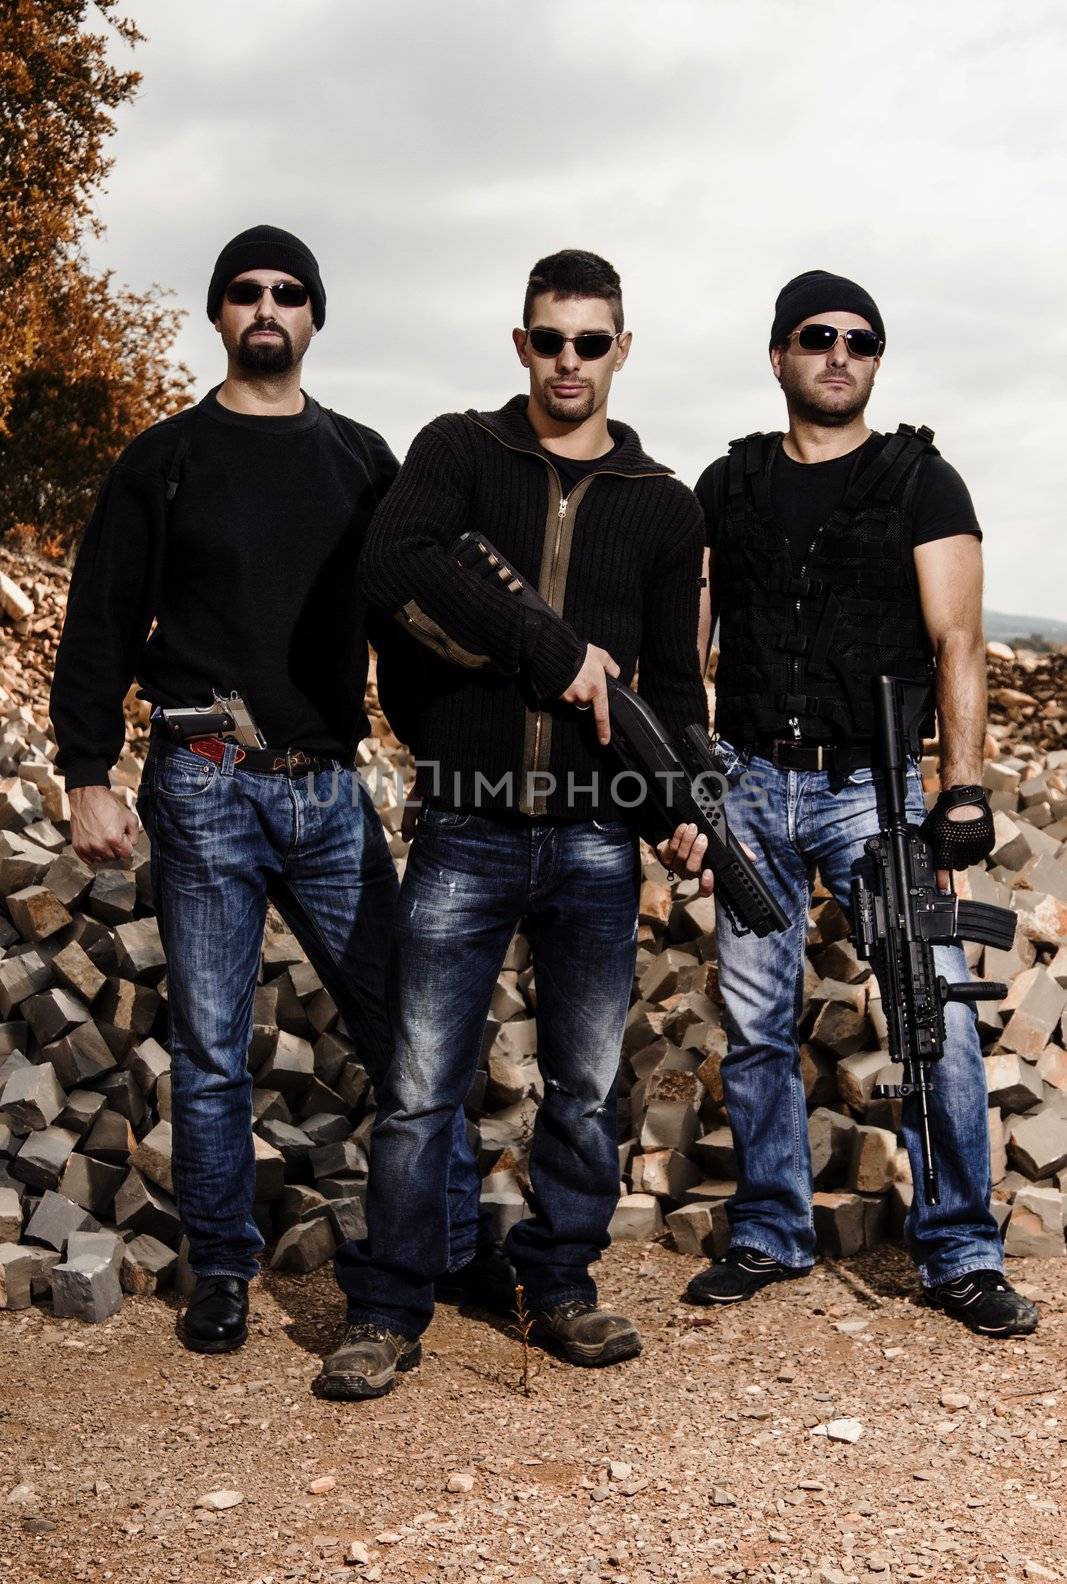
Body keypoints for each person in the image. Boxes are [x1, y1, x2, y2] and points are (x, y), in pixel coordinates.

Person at [49, 224, 482, 1355]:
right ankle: (225, 1270)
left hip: (328, 789)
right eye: (245, 291)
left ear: (315, 315)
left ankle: (448, 1246)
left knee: (409, 1027)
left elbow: (417, 633)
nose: (267, 307)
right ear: (219, 312)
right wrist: (87, 775)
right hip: (199, 784)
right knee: (208, 1049)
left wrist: (456, 762)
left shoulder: (363, 461)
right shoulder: (165, 457)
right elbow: (98, 623)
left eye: (288, 292)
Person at [313, 248, 711, 1400]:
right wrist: (544, 645)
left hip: (594, 838)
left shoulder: (664, 505)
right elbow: (393, 565)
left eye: (592, 341)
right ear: (520, 344)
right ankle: (387, 1309)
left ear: (622, 350)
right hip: (466, 824)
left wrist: (680, 802)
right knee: (420, 1083)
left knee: (583, 1088)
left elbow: (673, 690)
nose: (569, 361)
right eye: (550, 339)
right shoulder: (455, 451)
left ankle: (561, 1285)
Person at [687, 268, 1038, 1337]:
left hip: (868, 790)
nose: (838, 353)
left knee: (932, 1013)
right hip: (745, 780)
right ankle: (770, 1228)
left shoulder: (919, 479)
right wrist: (689, 776)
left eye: (859, 340)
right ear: (778, 355)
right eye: (815, 335)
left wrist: (962, 791)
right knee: (752, 1020)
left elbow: (957, 642)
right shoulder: (727, 481)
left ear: (874, 360)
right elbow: (689, 639)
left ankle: (959, 1249)